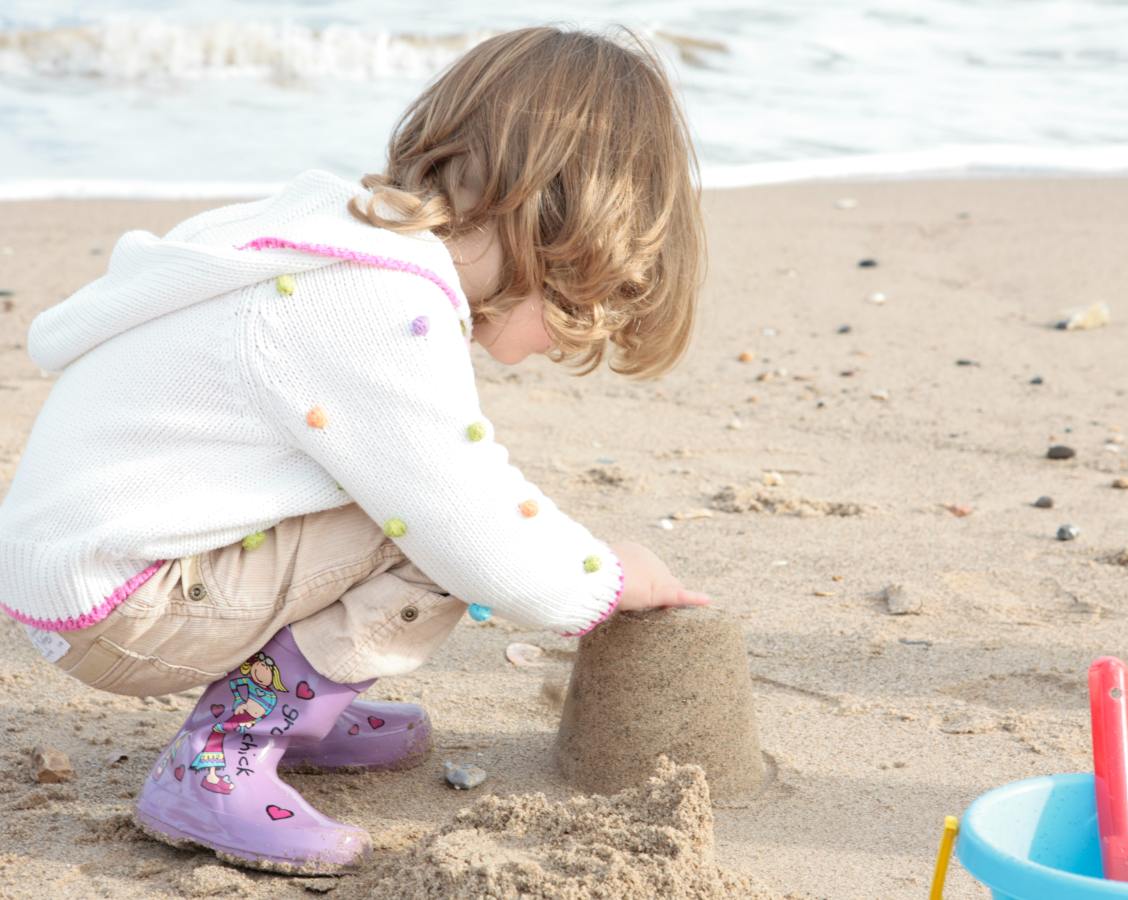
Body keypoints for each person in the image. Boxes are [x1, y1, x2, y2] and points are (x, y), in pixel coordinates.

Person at [0, 26, 709, 872]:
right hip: (126, 603)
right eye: (583, 310)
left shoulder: (327, 240)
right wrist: (608, 577)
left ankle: (301, 709)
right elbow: (477, 529)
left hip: (76, 570)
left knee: (402, 486)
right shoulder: (379, 303)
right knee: (433, 528)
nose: (566, 341)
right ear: (566, 232)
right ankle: (221, 758)